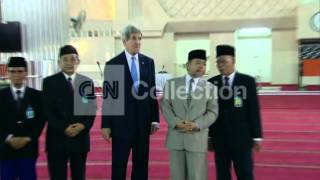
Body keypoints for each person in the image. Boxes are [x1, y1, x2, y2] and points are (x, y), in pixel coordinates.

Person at [101, 25, 159, 180]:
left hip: (143, 124)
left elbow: (152, 93)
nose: (138, 42)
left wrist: (155, 119)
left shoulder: (148, 62)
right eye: (134, 38)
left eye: (140, 38)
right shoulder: (113, 64)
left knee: (141, 164)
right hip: (121, 125)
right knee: (119, 164)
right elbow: (109, 98)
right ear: (124, 41)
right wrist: (105, 124)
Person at [161, 49, 218, 180]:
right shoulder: (172, 84)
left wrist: (197, 124)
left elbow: (213, 112)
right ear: (188, 65)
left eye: (204, 64)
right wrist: (176, 123)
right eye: (198, 63)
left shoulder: (211, 88)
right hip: (176, 139)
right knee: (177, 177)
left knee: (197, 176)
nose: (201, 66)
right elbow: (165, 106)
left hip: (197, 138)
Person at [208, 45, 263, 180]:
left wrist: (257, 136)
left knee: (245, 173)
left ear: (233, 60)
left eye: (224, 61)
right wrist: (209, 137)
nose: (220, 65)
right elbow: (208, 112)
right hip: (220, 139)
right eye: (218, 62)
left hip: (242, 139)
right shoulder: (211, 83)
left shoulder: (247, 81)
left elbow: (254, 110)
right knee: (222, 175)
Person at [42, 45, 97, 180]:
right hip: (57, 138)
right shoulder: (49, 82)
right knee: (57, 176)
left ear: (78, 61)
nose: (69, 63)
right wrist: (64, 128)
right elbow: (48, 111)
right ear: (59, 62)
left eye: (72, 59)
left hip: (80, 138)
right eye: (65, 59)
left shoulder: (86, 82)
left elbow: (91, 109)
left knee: (79, 176)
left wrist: (83, 126)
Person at [0, 57, 45, 180]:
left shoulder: (37, 96)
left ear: (26, 73)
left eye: (20, 71)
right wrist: (8, 138)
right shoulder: (1, 96)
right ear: (7, 73)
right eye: (12, 71)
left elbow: (41, 121)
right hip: (5, 149)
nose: (16, 75)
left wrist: (27, 138)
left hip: (28, 148)